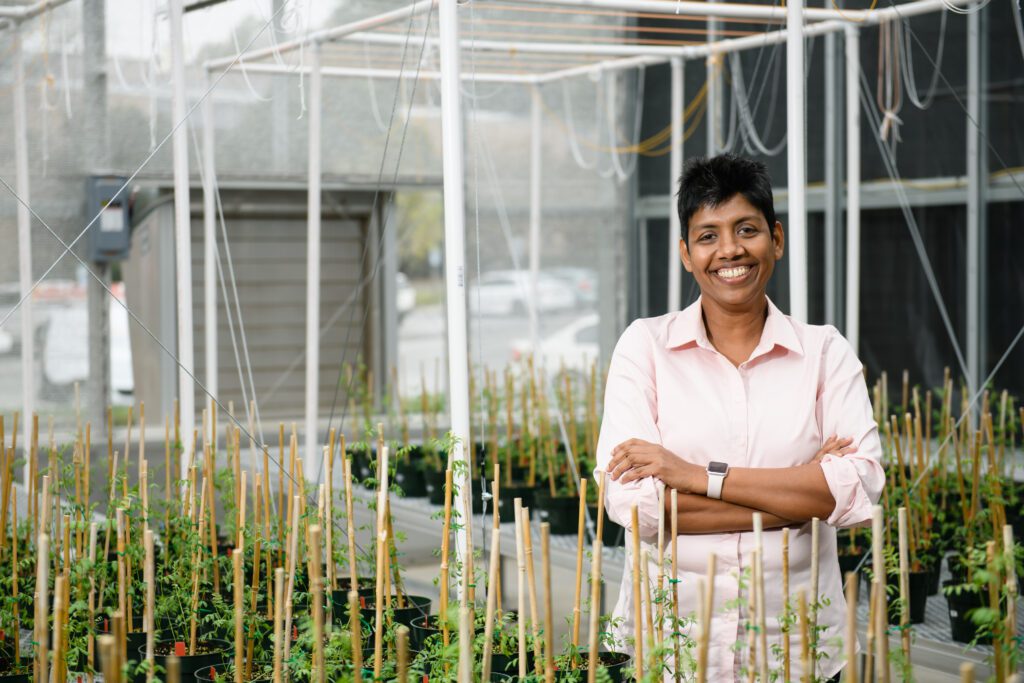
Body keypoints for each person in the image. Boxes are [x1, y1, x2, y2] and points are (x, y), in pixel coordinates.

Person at [596, 154, 884, 681]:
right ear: (686, 254)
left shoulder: (824, 353)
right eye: (707, 236)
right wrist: (797, 499)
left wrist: (693, 478)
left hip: (798, 650)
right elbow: (635, 507)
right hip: (671, 649)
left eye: (745, 229)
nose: (729, 250)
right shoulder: (645, 348)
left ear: (775, 239)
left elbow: (856, 488)